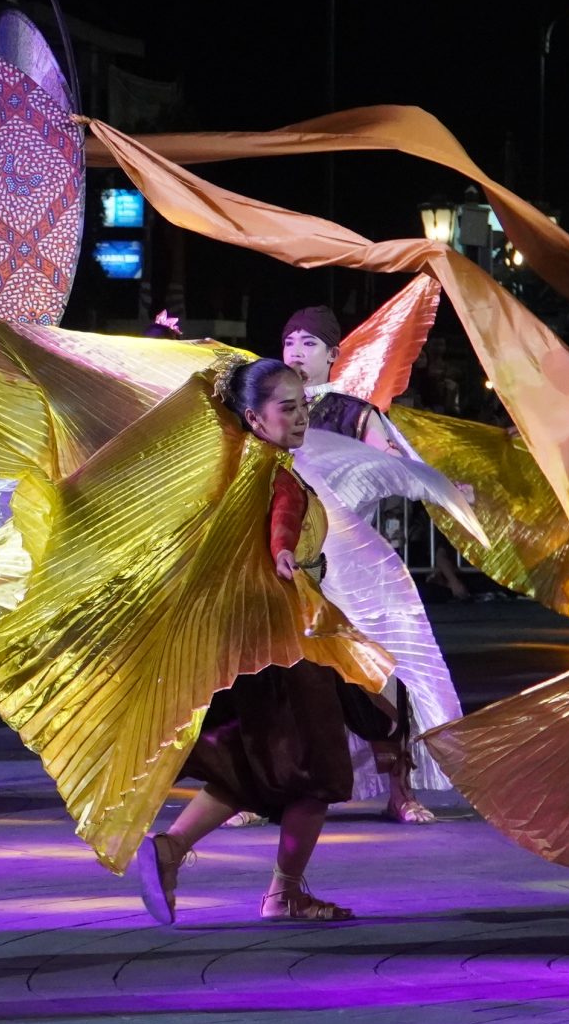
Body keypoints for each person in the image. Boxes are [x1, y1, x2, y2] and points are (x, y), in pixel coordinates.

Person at [134, 359, 374, 924]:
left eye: (303, 405)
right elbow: (283, 519)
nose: (300, 417)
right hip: (285, 644)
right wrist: (284, 553)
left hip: (240, 646)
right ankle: (284, 893)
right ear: (253, 417)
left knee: (250, 768)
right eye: (286, 407)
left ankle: (170, 849)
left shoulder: (227, 472)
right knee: (318, 772)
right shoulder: (272, 474)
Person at [278, 304, 456, 822]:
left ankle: (399, 789)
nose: (296, 352)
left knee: (378, 677)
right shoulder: (270, 408)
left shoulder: (355, 413)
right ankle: (257, 789)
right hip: (293, 564)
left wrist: (430, 481)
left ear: (334, 355)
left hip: (354, 567)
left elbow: (392, 467)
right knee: (280, 678)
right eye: (289, 341)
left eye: (309, 343)